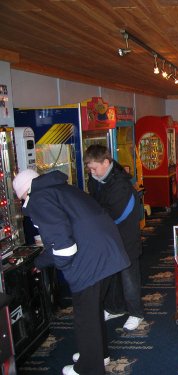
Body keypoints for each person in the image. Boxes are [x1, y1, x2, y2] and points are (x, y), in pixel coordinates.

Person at [12, 169, 130, 375]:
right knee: (93, 312)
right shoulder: (60, 188)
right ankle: (97, 355)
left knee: (85, 317)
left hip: (90, 261)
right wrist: (40, 262)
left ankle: (88, 368)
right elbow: (72, 229)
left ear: (23, 191)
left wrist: (68, 270)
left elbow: (63, 245)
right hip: (108, 253)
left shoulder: (39, 198)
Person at [84, 145, 144, 331]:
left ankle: (136, 313)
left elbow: (113, 213)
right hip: (107, 235)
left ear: (106, 162)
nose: (91, 171)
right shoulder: (96, 179)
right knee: (110, 274)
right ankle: (114, 308)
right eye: (89, 168)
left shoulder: (120, 183)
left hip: (125, 235)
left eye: (94, 167)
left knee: (128, 277)